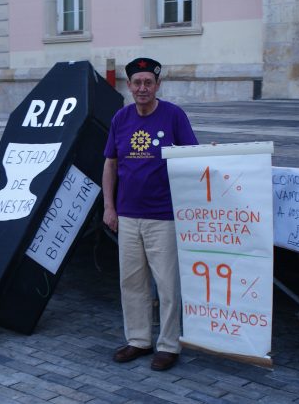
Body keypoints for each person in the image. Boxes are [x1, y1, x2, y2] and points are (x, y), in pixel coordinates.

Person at [102, 57, 198, 371]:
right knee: (131, 282)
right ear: (128, 86)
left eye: (148, 82)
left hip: (163, 215)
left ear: (157, 86)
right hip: (128, 215)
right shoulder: (120, 118)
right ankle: (139, 340)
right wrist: (109, 206)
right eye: (137, 83)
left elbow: (191, 159)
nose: (142, 88)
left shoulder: (173, 116)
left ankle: (169, 345)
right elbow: (110, 164)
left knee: (168, 285)